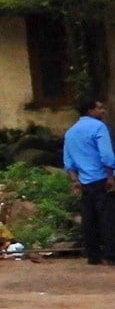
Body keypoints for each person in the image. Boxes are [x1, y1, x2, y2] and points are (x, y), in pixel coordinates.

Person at [63, 97, 115, 265]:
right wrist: (110, 176)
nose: (102, 111)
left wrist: (74, 181)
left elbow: (68, 161)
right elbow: (106, 155)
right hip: (101, 178)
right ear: (90, 110)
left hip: (84, 182)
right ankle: (111, 255)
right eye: (99, 108)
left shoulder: (70, 132)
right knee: (107, 218)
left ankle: (93, 256)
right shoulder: (99, 127)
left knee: (89, 219)